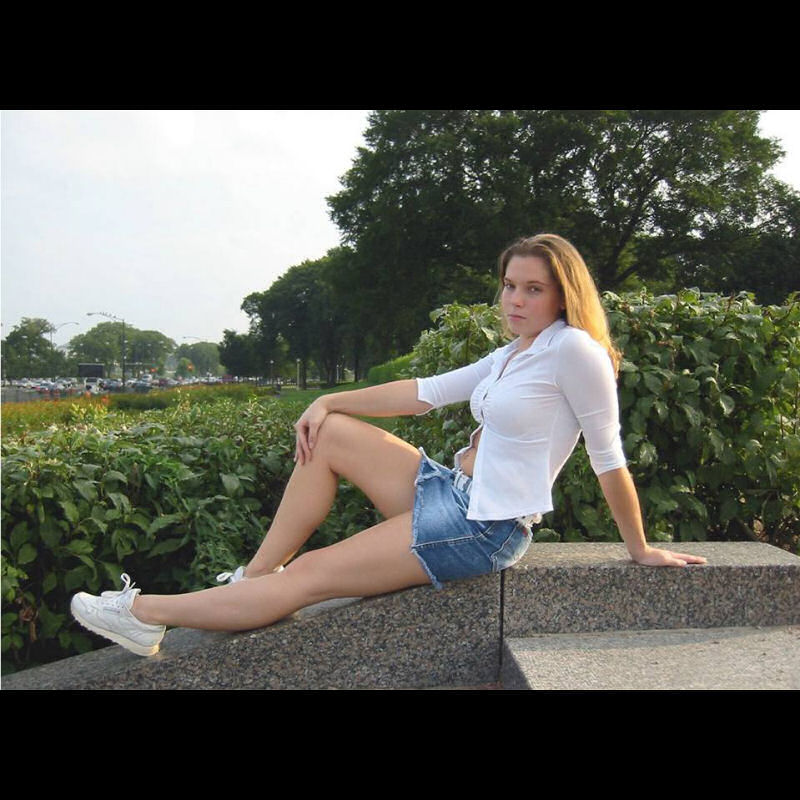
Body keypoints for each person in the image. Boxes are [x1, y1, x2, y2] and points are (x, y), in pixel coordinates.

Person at [70, 233, 707, 657]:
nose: (515, 299)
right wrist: (330, 400)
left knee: (312, 576)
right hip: (452, 490)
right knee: (329, 433)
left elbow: (607, 455)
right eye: (510, 285)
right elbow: (425, 392)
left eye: (532, 289)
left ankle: (144, 613)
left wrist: (640, 548)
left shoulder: (575, 351)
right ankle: (253, 577)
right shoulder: (517, 350)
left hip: (484, 526)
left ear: (564, 293)